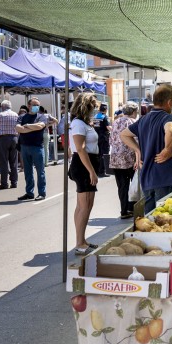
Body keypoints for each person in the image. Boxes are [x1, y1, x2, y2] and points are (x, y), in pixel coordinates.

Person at [121, 83, 172, 213]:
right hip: (165, 175)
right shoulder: (168, 117)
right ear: (170, 102)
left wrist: (138, 151)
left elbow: (124, 134)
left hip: (147, 177)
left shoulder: (143, 119)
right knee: (165, 215)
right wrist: (167, 149)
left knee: (150, 217)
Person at [68, 94, 103, 254]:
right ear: (86, 106)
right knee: (85, 205)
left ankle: (81, 240)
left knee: (83, 206)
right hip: (83, 166)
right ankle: (80, 243)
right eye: (93, 107)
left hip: (85, 164)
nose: (95, 110)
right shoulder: (78, 124)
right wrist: (91, 172)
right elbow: (80, 148)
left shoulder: (82, 123)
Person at [16, 97, 54, 200]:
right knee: (28, 171)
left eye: (38, 105)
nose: (37, 107)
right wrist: (32, 128)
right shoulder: (22, 116)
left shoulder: (41, 116)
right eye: (34, 105)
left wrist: (27, 126)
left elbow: (40, 126)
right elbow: (18, 128)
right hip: (24, 146)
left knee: (40, 171)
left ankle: (42, 192)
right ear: (29, 106)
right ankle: (29, 193)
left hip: (37, 147)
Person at [109, 102, 139, 219]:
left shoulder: (115, 122)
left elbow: (111, 140)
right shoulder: (132, 122)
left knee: (122, 185)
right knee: (135, 184)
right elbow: (137, 141)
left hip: (116, 157)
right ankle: (132, 208)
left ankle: (124, 210)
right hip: (130, 157)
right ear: (133, 112)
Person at [0, 100, 19, 189]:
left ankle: (4, 183)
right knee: (14, 161)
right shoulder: (15, 115)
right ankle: (14, 182)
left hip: (3, 138)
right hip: (14, 138)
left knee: (4, 161)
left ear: (2, 107)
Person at [94, 104, 111, 177]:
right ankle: (102, 171)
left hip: (97, 137)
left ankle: (97, 170)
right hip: (104, 137)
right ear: (105, 110)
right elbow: (108, 127)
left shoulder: (95, 116)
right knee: (104, 154)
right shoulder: (104, 117)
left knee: (98, 154)